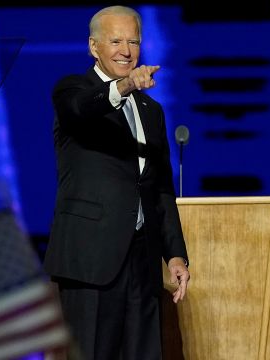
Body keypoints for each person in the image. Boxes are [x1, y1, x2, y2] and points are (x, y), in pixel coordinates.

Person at [44, 5, 190, 359]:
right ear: (94, 47)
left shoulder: (151, 111)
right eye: (116, 41)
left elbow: (160, 188)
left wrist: (175, 253)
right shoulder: (72, 90)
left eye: (134, 42)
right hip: (90, 261)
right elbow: (81, 110)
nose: (126, 51)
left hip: (143, 260)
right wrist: (123, 86)